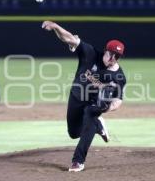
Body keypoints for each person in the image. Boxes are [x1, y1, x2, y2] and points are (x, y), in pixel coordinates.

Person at [42, 21, 126, 172]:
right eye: (111, 54)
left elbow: (118, 100)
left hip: (93, 104)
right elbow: (69, 39)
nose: (112, 58)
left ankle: (78, 161)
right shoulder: (90, 53)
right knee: (73, 133)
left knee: (90, 115)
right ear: (105, 50)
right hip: (76, 96)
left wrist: (106, 108)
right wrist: (55, 26)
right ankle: (98, 125)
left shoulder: (119, 77)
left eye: (116, 56)